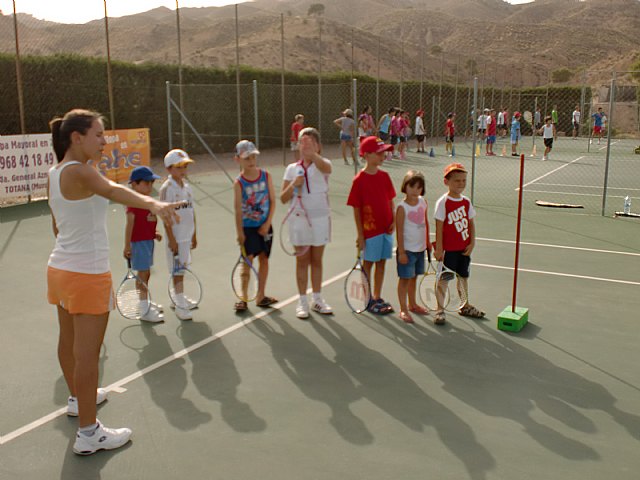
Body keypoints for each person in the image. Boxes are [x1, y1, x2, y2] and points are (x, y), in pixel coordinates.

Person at [47, 109, 180, 455]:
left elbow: (57, 225)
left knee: (68, 341)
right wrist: (154, 202)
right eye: (98, 135)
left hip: (59, 269)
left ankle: (78, 401)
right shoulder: (81, 171)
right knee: (87, 354)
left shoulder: (55, 171)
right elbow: (114, 191)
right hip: (86, 274)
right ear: (77, 138)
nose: (103, 141)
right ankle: (89, 433)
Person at [280, 127, 333, 319]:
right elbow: (283, 198)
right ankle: (302, 301)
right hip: (298, 220)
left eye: (310, 141)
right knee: (302, 260)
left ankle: (317, 299)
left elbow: (326, 168)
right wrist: (295, 184)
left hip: (320, 220)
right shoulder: (291, 169)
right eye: (303, 142)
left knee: (317, 260)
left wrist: (313, 155)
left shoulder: (323, 164)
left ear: (318, 146)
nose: (306, 145)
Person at [347, 136, 396, 315]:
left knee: (382, 263)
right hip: (370, 232)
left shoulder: (385, 176)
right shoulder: (359, 180)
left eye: (384, 152)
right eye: (379, 153)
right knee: (368, 264)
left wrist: (393, 222)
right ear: (367, 155)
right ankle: (367, 299)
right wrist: (360, 235)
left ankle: (377, 296)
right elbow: (356, 209)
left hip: (386, 230)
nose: (383, 155)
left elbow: (391, 201)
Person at [432, 163, 484, 325]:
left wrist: (472, 242)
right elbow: (439, 226)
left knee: (463, 277)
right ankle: (439, 309)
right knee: (444, 279)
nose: (461, 184)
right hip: (449, 251)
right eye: (457, 181)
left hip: (464, 249)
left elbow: (471, 223)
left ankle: (464, 305)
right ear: (446, 182)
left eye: (463, 181)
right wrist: (440, 248)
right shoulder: (443, 202)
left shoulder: (466, 202)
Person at [233, 140, 277, 312]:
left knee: (264, 259)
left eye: (253, 157)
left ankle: (260, 296)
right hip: (248, 229)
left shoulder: (266, 176)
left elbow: (273, 202)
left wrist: (267, 224)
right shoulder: (239, 183)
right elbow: (237, 210)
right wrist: (240, 233)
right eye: (246, 158)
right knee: (247, 263)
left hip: (265, 227)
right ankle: (243, 298)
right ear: (237, 160)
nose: (251, 161)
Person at [159, 148, 198, 321]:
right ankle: (180, 305)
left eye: (185, 167)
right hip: (176, 237)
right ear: (169, 169)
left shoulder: (187, 187)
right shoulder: (167, 188)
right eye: (179, 167)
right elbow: (165, 215)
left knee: (183, 268)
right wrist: (172, 239)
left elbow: (191, 211)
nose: (183, 171)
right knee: (178, 271)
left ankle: (178, 299)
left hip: (187, 236)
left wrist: (194, 234)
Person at [123, 165, 164, 323]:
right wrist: (127, 246)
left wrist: (154, 233)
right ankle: (143, 308)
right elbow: (130, 224)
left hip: (148, 242)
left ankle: (144, 301)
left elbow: (147, 221)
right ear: (134, 184)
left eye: (151, 183)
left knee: (145, 274)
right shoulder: (133, 203)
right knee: (143, 274)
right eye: (146, 183)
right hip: (139, 244)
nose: (149, 186)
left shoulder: (148, 201)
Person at [395, 170, 431, 324]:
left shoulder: (423, 202)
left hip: (420, 249)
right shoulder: (402, 207)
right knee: (404, 279)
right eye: (412, 186)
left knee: (414, 277)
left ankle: (413, 304)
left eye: (419, 187)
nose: (415, 190)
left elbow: (426, 222)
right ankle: (403, 309)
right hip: (407, 251)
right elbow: (400, 230)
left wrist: (428, 242)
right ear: (405, 187)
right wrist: (402, 252)